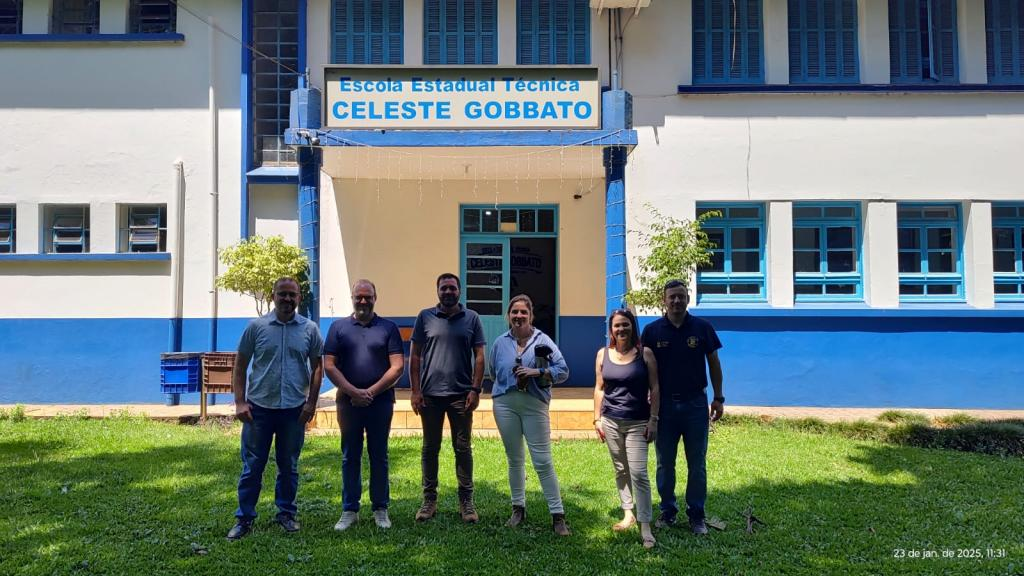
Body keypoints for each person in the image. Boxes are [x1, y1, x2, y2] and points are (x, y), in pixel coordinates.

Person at [227, 277, 324, 541]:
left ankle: (286, 514)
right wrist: (239, 401)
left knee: (289, 466)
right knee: (252, 467)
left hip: (294, 410)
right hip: (259, 409)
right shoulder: (256, 328)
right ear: (273, 297)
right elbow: (240, 364)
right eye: (282, 294)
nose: (287, 299)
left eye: (292, 295)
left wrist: (311, 403)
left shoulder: (310, 329)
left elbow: (318, 367)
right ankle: (244, 518)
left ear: (299, 298)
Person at [641, 280, 724, 535]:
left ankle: (696, 515)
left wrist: (718, 398)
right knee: (665, 463)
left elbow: (714, 364)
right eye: (671, 297)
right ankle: (668, 511)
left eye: (680, 297)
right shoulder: (652, 331)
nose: (676, 301)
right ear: (663, 301)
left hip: (695, 405)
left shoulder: (702, 328)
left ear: (687, 299)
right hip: (664, 407)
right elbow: (643, 369)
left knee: (696, 463)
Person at [323, 280, 404, 531]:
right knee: (350, 455)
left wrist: (370, 392)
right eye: (359, 297)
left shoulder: (388, 328)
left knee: (379, 455)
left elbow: (397, 366)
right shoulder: (338, 328)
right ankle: (350, 509)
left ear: (375, 298)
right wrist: (353, 392)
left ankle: (380, 508)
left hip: (380, 402)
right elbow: (329, 365)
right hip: (348, 404)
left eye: (367, 297)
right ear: (352, 298)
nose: (363, 301)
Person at [489, 294, 571, 536]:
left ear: (530, 315)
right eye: (514, 312)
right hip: (504, 405)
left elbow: (563, 370)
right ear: (508, 315)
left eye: (523, 312)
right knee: (514, 459)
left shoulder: (543, 340)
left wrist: (537, 372)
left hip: (534, 404)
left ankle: (557, 515)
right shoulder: (499, 343)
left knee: (543, 460)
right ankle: (518, 509)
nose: (518, 316)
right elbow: (494, 373)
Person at [410, 273, 486, 523]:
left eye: (452, 288)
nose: (448, 292)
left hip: (461, 396)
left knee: (462, 448)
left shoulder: (472, 318)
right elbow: (416, 356)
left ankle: (466, 501)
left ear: (459, 291)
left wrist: (475, 389)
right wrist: (415, 391)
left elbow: (479, 356)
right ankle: (429, 499)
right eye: (444, 288)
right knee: (430, 448)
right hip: (430, 395)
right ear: (437, 291)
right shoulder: (425, 317)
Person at [594, 308, 660, 549]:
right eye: (616, 326)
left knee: (639, 473)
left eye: (625, 324)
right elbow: (599, 388)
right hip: (611, 420)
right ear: (611, 330)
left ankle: (645, 525)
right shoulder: (603, 354)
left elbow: (655, 388)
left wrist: (654, 419)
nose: (621, 329)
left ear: (633, 326)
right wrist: (596, 419)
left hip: (638, 422)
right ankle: (628, 513)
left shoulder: (646, 354)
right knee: (620, 469)